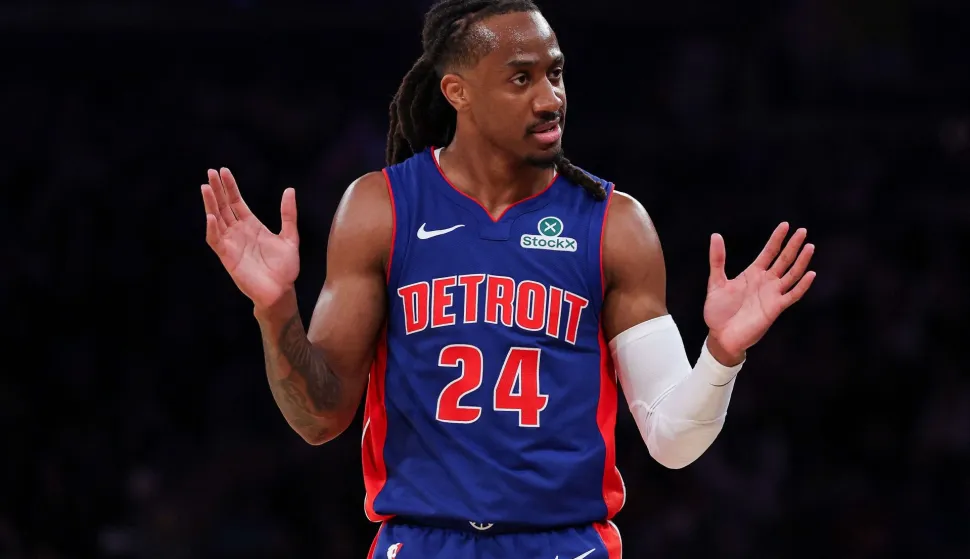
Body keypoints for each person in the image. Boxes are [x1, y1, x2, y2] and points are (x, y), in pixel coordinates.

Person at [200, 1, 816, 557]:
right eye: (522, 78)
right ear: (457, 92)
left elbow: (672, 440)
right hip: (420, 541)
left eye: (555, 73)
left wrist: (722, 355)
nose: (550, 98)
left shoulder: (616, 226)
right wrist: (276, 306)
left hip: (565, 543)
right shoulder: (381, 209)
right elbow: (320, 419)